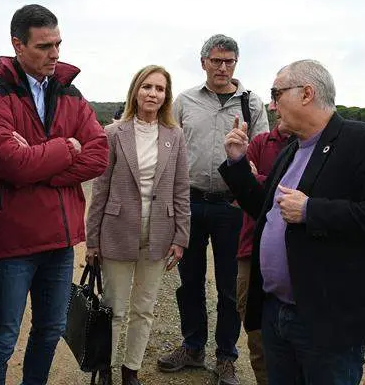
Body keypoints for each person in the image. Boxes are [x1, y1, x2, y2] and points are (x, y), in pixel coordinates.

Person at [219, 59, 365, 385]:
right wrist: (237, 162)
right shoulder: (293, 150)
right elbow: (264, 209)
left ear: (307, 93)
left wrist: (311, 210)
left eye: (277, 93)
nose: (271, 104)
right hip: (277, 311)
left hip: (325, 319)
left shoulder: (363, 141)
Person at [0, 4, 108, 384]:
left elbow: (98, 156)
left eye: (58, 43)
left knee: (50, 331)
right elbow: (10, 163)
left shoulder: (71, 93)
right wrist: (65, 148)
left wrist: (35, 164)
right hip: (12, 243)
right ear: (18, 44)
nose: (56, 54)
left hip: (60, 243)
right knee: (2, 338)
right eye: (45, 46)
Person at [158, 34, 268, 385]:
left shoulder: (253, 104)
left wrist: (249, 180)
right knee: (189, 281)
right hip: (189, 202)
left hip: (232, 207)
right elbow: (168, 148)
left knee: (228, 287)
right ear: (203, 61)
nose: (223, 67)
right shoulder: (184, 101)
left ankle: (226, 357)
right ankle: (192, 347)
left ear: (236, 63)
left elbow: (263, 151)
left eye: (230, 61)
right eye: (216, 60)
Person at [86, 66, 191, 385]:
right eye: (147, 87)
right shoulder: (114, 133)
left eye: (159, 89)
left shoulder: (175, 135)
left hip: (159, 234)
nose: (153, 93)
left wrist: (181, 236)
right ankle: (106, 367)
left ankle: (130, 370)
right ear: (135, 91)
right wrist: (92, 241)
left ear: (166, 96)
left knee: (143, 309)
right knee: (114, 308)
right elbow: (100, 188)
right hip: (117, 232)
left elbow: (181, 188)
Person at [236, 112, 291, 385]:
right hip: (251, 250)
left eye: (279, 96)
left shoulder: (319, 147)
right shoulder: (260, 142)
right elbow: (243, 191)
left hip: (298, 255)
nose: (274, 105)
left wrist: (261, 181)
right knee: (255, 330)